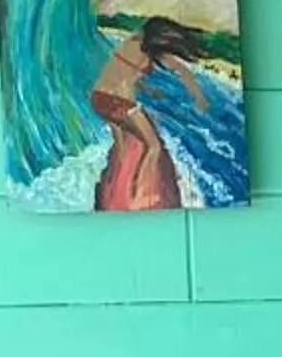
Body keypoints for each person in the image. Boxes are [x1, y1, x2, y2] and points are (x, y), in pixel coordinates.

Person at [88, 16, 210, 212]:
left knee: (121, 146)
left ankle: (115, 189)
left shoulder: (131, 43)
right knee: (152, 145)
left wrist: (149, 90)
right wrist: (199, 99)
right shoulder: (150, 49)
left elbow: (124, 73)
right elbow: (183, 71)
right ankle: (137, 191)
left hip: (99, 99)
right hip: (120, 104)